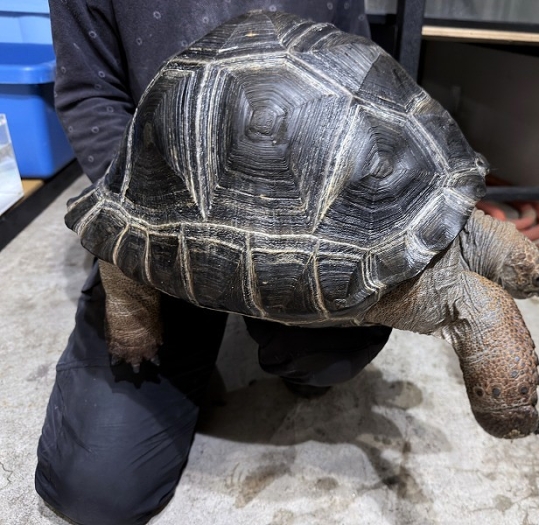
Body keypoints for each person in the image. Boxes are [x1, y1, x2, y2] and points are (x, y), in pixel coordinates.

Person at [35, 2, 392, 524]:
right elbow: (92, 92)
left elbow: (362, 79)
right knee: (96, 490)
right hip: (164, 205)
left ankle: (301, 355)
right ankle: (168, 326)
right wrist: (138, 211)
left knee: (331, 356)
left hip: (300, 209)